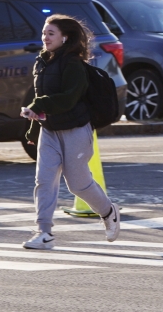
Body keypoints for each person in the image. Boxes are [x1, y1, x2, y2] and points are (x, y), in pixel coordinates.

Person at [20, 14, 121, 250]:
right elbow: (41, 100)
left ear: (65, 37)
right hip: (50, 131)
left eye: (50, 33)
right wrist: (34, 126)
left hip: (76, 130)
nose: (45, 37)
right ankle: (44, 232)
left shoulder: (73, 64)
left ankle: (108, 212)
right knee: (44, 181)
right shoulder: (41, 62)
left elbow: (68, 99)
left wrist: (39, 106)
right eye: (44, 33)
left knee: (77, 184)